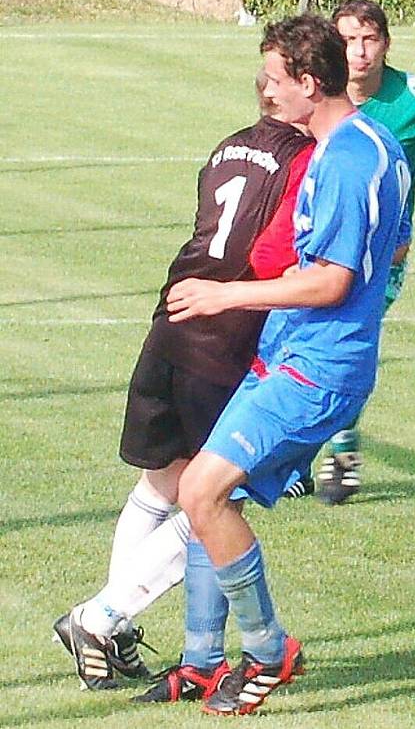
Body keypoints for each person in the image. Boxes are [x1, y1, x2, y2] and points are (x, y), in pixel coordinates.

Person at [64, 14, 410, 717]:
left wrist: (228, 293)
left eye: (276, 80)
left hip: (317, 366)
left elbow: (331, 281)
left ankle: (267, 645)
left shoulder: (343, 161)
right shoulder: (376, 142)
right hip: (290, 351)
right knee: (204, 491)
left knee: (204, 493)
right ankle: (200, 661)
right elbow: (392, 249)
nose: (266, 91)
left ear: (310, 83)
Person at [52, 71, 315, 689]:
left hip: (172, 315)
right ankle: (100, 616)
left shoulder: (228, 145)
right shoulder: (306, 158)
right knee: (215, 493)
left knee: (160, 483)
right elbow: (278, 256)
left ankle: (112, 635)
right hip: (222, 333)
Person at [315, 0, 415, 505]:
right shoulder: (314, 95)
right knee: (299, 348)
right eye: (349, 39)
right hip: (316, 251)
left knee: (345, 349)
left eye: (369, 39)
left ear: (386, 43)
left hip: (382, 262)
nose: (359, 51)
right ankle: (292, 453)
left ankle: (343, 454)